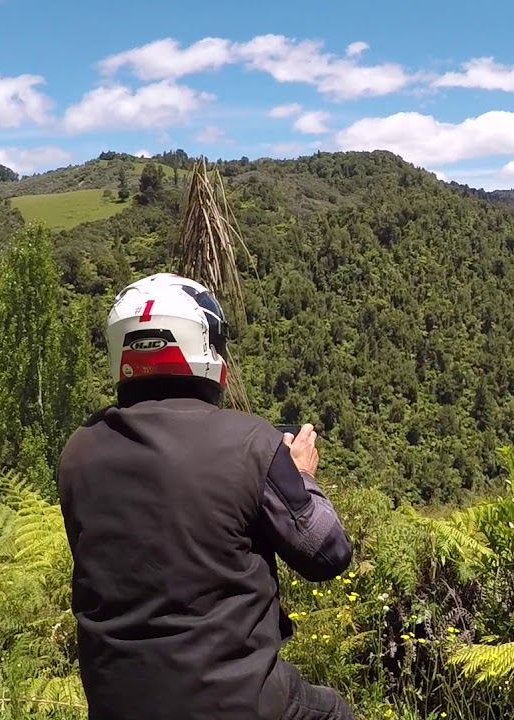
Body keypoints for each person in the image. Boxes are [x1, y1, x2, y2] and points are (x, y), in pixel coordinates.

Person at [57, 272, 355, 720]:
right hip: (239, 700)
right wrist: (302, 476)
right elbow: (328, 554)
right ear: (202, 346)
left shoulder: (79, 450)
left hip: (116, 703)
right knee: (334, 712)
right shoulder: (250, 442)